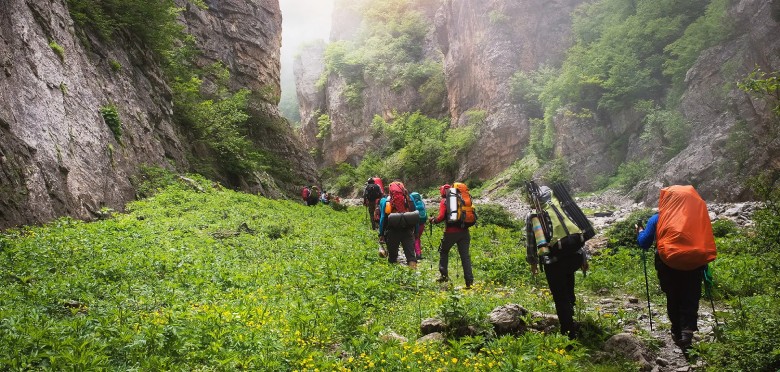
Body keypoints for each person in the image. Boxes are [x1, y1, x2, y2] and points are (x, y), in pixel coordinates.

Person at [524, 185, 587, 339]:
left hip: (553, 261)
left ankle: (568, 335)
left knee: (560, 297)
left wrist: (533, 263)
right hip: (574, 255)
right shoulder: (560, 207)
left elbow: (531, 243)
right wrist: (584, 258)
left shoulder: (533, 215)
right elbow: (575, 229)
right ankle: (571, 318)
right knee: (568, 287)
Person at [637, 212, 706, 353]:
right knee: (690, 296)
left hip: (667, 265)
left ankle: (677, 331)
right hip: (693, 263)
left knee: (673, 296)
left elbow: (644, 243)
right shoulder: (694, 216)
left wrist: (640, 231)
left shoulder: (657, 218)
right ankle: (687, 331)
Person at [429, 184, 473, 289]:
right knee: (465, 256)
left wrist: (433, 220)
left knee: (444, 252)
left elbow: (441, 217)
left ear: (442, 192)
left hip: (450, 232)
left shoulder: (444, 201)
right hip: (465, 232)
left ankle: (444, 276)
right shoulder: (462, 198)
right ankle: (469, 282)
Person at [378, 181, 417, 269]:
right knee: (411, 256)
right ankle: (414, 276)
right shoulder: (409, 199)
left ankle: (394, 278)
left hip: (392, 231)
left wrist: (381, 234)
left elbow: (383, 219)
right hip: (408, 231)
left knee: (392, 257)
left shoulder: (387, 200)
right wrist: (416, 232)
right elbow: (415, 217)